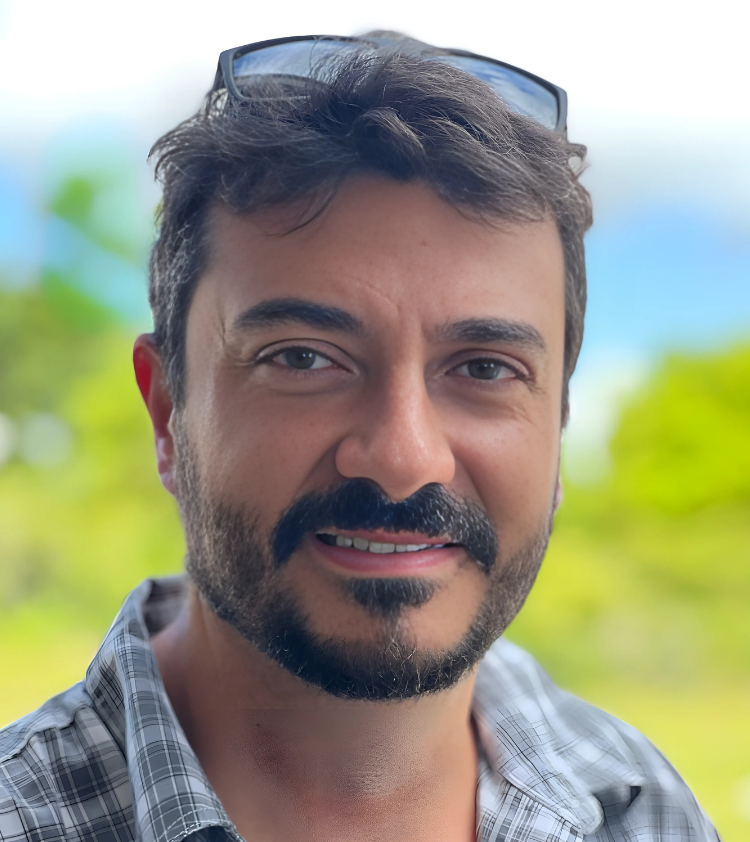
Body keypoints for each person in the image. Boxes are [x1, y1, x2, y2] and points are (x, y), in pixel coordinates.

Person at [0, 32, 719, 842]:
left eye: (485, 368)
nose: (404, 459)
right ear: (169, 412)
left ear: (556, 425)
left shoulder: (647, 812)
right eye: (303, 358)